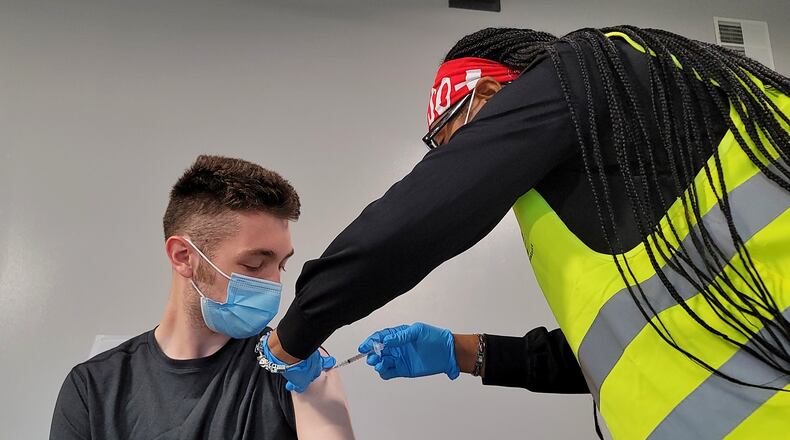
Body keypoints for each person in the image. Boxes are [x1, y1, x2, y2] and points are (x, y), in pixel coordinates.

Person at [261, 27, 790, 439]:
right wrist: (458, 351)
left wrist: (293, 336)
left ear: (492, 94)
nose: (461, 164)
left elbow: (415, 219)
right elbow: (623, 352)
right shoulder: (628, 168)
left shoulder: (588, 68)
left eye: (455, 145)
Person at [50, 155, 354, 440]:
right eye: (254, 265)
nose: (275, 283)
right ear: (183, 256)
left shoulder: (296, 366)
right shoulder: (94, 388)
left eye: (281, 264)